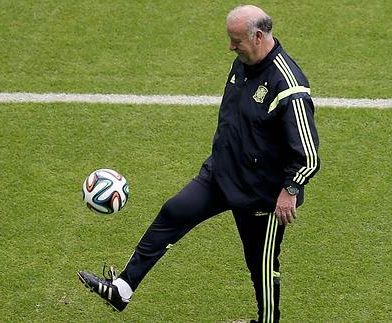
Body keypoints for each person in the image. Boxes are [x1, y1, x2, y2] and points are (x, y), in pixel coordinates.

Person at [77, 5, 320, 322]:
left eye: (236, 41)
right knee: (173, 212)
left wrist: (290, 189)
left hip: (261, 194)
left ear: (258, 36)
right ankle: (122, 288)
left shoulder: (288, 86)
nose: (230, 47)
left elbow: (309, 152)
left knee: (261, 265)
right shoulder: (242, 64)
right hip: (220, 175)